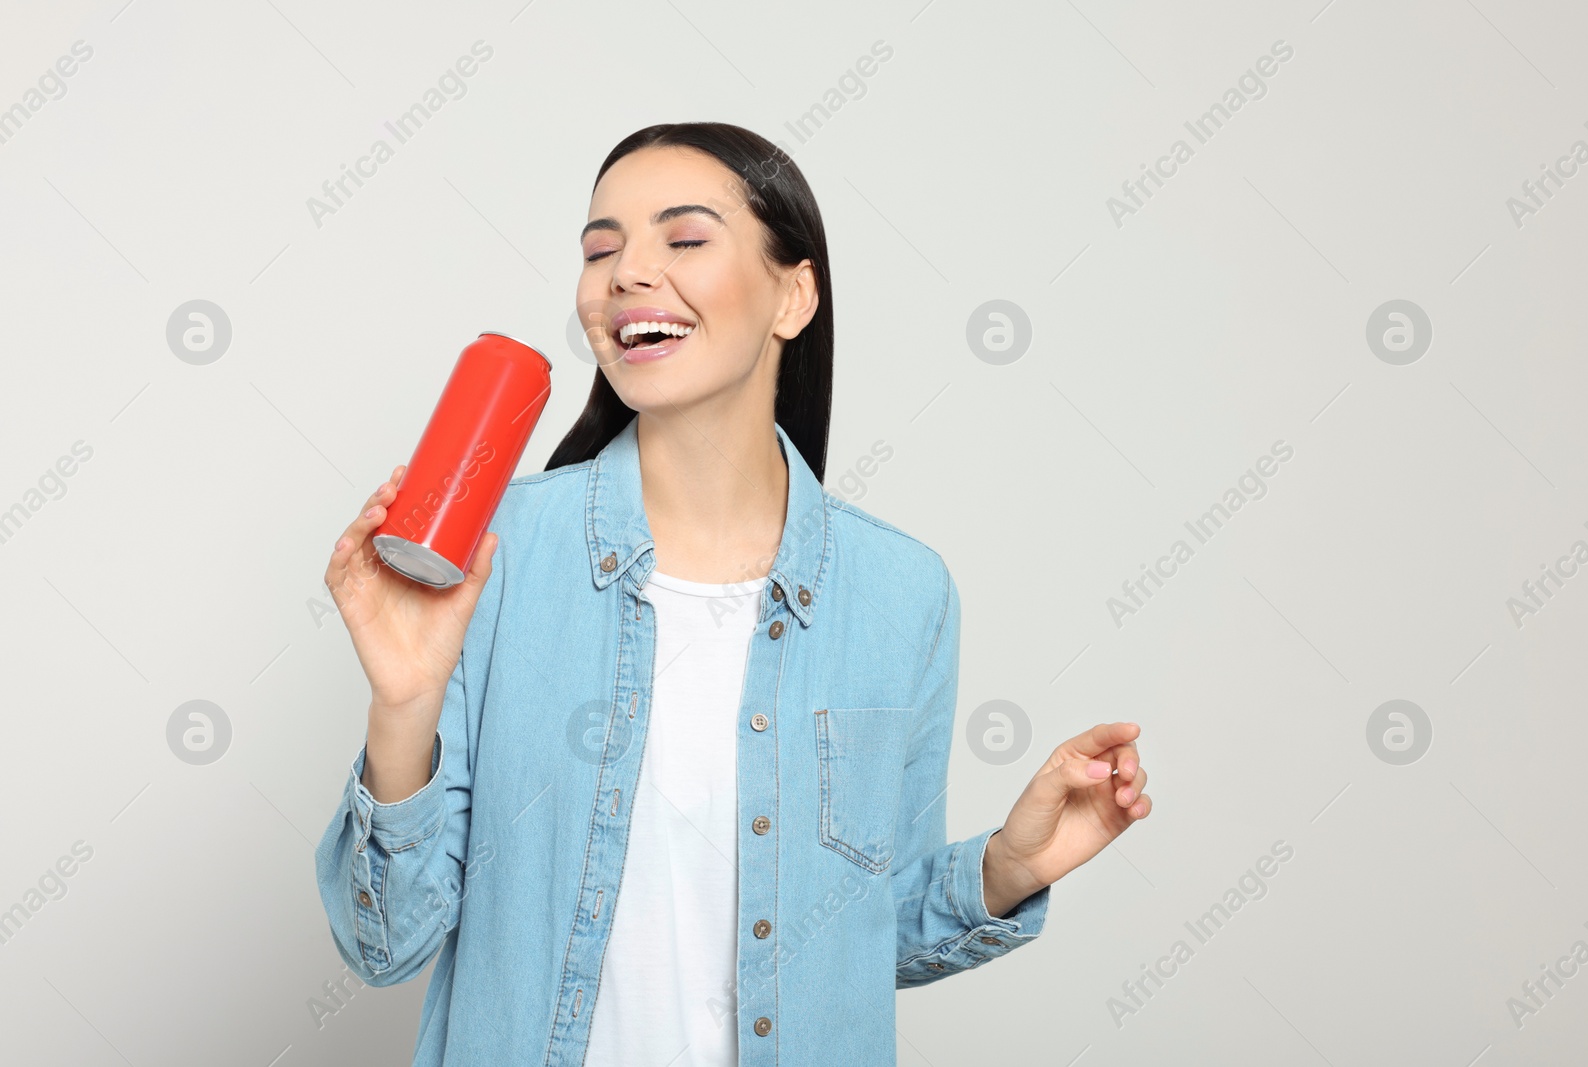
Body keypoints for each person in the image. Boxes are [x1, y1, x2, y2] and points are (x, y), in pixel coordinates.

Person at [314, 121, 1151, 1067]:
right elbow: (384, 945)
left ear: (793, 293)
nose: (627, 273)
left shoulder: (900, 592)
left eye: (683, 239)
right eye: (601, 250)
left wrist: (1005, 872)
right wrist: (404, 708)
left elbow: (859, 941)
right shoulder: (493, 553)